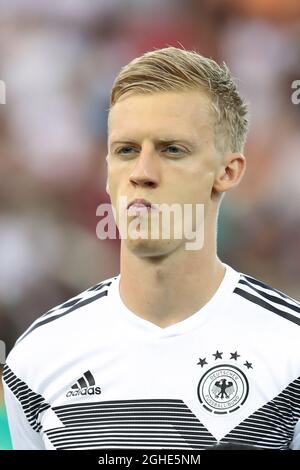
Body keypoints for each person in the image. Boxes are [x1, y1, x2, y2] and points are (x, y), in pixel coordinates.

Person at [2, 47, 300, 450]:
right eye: (126, 151)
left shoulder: (290, 350)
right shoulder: (38, 358)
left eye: (172, 150)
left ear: (227, 172)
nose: (142, 173)